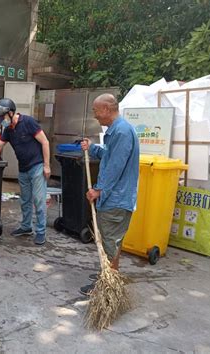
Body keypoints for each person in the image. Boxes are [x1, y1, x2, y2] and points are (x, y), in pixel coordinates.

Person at [79, 93, 139, 296]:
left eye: (96, 111)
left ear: (106, 109)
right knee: (113, 242)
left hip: (116, 198)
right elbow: (109, 154)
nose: (95, 115)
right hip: (116, 196)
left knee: (109, 243)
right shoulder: (117, 131)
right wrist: (93, 148)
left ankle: (108, 285)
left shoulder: (122, 131)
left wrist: (99, 189)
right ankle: (110, 276)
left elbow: (115, 166)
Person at [0, 98, 50, 245]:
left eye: (2, 117)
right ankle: (26, 227)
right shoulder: (8, 129)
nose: (1, 121)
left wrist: (47, 165)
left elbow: (45, 142)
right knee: (25, 200)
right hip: (23, 169)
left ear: (10, 113)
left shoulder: (28, 122)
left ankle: (41, 232)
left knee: (39, 200)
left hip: (37, 167)